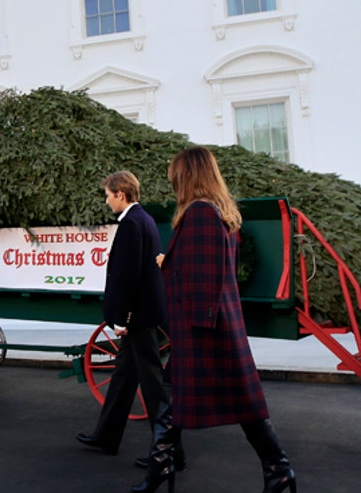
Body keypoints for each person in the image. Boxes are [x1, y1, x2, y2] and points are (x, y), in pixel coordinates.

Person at [141, 146, 296, 493]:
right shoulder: (219, 212)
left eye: (175, 175)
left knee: (236, 402)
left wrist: (167, 266)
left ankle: (278, 468)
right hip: (213, 323)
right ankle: (162, 466)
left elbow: (202, 276)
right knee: (181, 395)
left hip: (203, 328)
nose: (172, 181)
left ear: (188, 176)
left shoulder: (198, 213)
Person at [76, 172, 183, 474]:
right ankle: (106, 436)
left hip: (140, 316)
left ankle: (171, 453)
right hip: (146, 312)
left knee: (153, 386)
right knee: (124, 377)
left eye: (108, 194)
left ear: (120, 194)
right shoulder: (144, 219)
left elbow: (126, 276)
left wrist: (120, 318)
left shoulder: (131, 223)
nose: (106, 199)